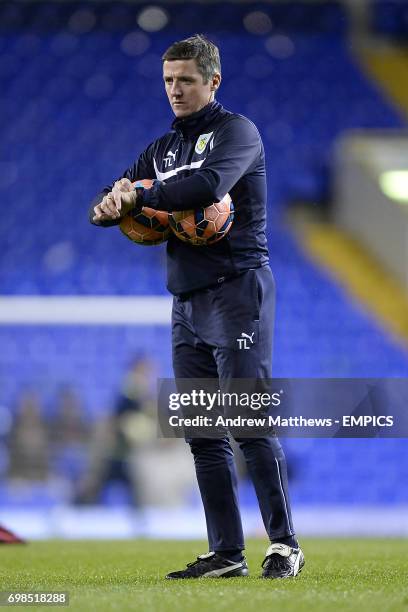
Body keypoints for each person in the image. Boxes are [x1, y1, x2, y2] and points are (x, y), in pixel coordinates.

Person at [89, 34, 304, 579]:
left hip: (238, 291)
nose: (175, 90)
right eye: (168, 80)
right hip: (185, 299)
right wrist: (112, 205)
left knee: (247, 422)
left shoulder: (239, 133)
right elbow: (121, 191)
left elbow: (209, 186)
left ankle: (284, 546)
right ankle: (227, 553)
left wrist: (141, 195)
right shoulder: (161, 150)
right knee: (202, 431)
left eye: (186, 79)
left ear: (213, 81)